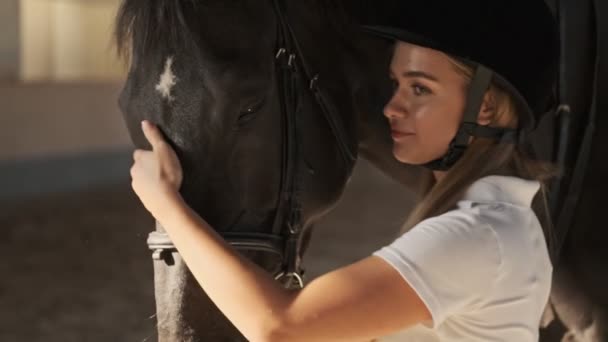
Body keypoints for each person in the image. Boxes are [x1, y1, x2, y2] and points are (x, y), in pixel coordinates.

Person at [129, 0, 559, 340]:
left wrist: (168, 206)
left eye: (420, 88)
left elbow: (281, 328)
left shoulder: (478, 236)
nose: (393, 107)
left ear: (484, 107)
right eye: (396, 84)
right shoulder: (502, 223)